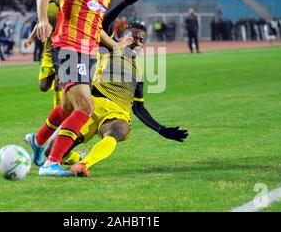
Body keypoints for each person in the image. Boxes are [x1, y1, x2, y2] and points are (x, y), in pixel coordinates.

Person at [24, 0, 137, 176]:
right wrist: (43, 20)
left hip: (88, 54)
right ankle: (52, 162)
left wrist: (116, 45)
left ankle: (38, 140)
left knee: (67, 106)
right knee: (85, 106)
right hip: (67, 48)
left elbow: (96, 27)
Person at [26, 23, 188, 176]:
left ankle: (83, 165)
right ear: (121, 38)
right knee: (50, 152)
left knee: (118, 130)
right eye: (133, 38)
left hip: (118, 113)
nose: (137, 43)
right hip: (91, 108)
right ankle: (73, 157)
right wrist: (124, 3)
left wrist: (161, 129)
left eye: (141, 40)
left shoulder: (138, 73)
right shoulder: (109, 49)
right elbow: (101, 26)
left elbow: (139, 108)